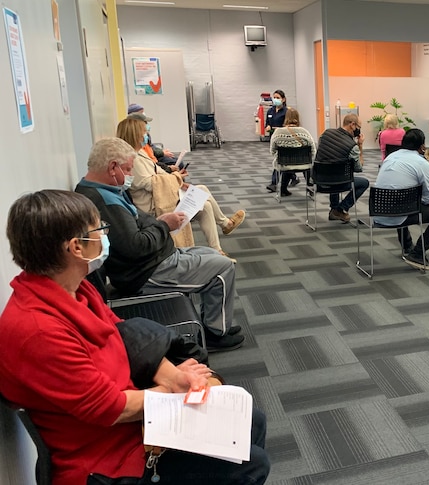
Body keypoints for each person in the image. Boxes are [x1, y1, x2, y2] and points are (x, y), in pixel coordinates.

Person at [0, 189, 269, 484]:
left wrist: (173, 376)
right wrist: (177, 389)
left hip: (134, 419)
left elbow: (125, 336)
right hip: (107, 459)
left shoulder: (74, 288)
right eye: (99, 230)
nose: (104, 237)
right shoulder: (38, 332)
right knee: (249, 464)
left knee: (249, 420)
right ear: (76, 248)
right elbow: (111, 409)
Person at [75, 138, 245, 352]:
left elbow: (139, 223)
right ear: (112, 168)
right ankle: (214, 334)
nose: (130, 175)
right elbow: (136, 246)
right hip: (146, 271)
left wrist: (158, 224)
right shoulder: (104, 201)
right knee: (223, 266)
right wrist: (163, 225)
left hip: (154, 260)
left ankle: (213, 325)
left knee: (210, 254)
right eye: (128, 169)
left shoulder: (104, 191)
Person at [116, 118, 246, 260]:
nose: (146, 135)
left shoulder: (140, 153)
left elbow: (158, 171)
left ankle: (223, 232)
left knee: (201, 191)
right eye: (144, 132)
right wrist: (176, 179)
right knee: (205, 204)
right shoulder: (133, 159)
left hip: (160, 195)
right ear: (135, 134)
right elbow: (150, 183)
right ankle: (221, 237)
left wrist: (178, 180)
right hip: (154, 204)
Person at [375, 129, 429, 271]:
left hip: (378, 212)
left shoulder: (390, 157)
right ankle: (417, 253)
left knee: (403, 200)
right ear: (422, 147)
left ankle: (407, 246)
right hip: (398, 214)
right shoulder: (422, 163)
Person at [314, 113, 369, 223]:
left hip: (319, 180)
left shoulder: (326, 133)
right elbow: (359, 168)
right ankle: (340, 209)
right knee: (364, 183)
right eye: (358, 127)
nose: (359, 130)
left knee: (333, 170)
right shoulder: (352, 146)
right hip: (340, 182)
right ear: (352, 125)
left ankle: (334, 208)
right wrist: (360, 146)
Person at [270, 106, 316, 196]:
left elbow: (272, 150)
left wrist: (280, 157)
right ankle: (310, 187)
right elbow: (313, 150)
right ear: (298, 118)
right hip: (304, 164)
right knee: (304, 162)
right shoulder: (304, 132)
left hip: (284, 164)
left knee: (288, 162)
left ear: (286, 118)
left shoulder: (278, 132)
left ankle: (283, 190)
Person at [128, 104, 179, 169]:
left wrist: (162, 152)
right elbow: (150, 165)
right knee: (176, 165)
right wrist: (167, 167)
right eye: (141, 112)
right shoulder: (137, 142)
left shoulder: (142, 139)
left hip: (153, 160)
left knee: (176, 163)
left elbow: (150, 147)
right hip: (152, 163)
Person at [265, 90, 288, 192]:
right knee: (282, 161)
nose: (276, 99)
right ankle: (292, 177)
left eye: (278, 97)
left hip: (283, 138)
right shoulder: (270, 111)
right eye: (274, 97)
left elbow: (287, 125)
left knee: (280, 159)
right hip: (273, 138)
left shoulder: (287, 112)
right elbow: (267, 124)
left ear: (283, 99)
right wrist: (268, 126)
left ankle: (274, 183)